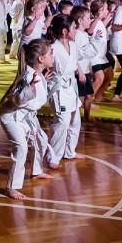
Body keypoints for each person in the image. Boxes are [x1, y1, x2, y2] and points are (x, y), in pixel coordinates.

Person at [0, 39, 55, 199]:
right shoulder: (27, 77)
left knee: (41, 139)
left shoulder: (36, 75)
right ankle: (11, 187)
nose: (53, 56)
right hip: (12, 117)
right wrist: (29, 89)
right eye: (50, 53)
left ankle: (36, 171)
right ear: (41, 59)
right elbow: (16, 100)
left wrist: (43, 81)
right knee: (22, 147)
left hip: (25, 117)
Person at [45, 15, 83, 167]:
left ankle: (69, 151)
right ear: (65, 31)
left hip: (71, 87)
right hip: (59, 89)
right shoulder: (52, 48)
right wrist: (42, 78)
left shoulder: (73, 46)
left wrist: (79, 71)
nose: (76, 30)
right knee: (62, 124)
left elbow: (75, 61)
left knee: (75, 122)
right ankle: (53, 158)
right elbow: (42, 65)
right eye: (74, 28)